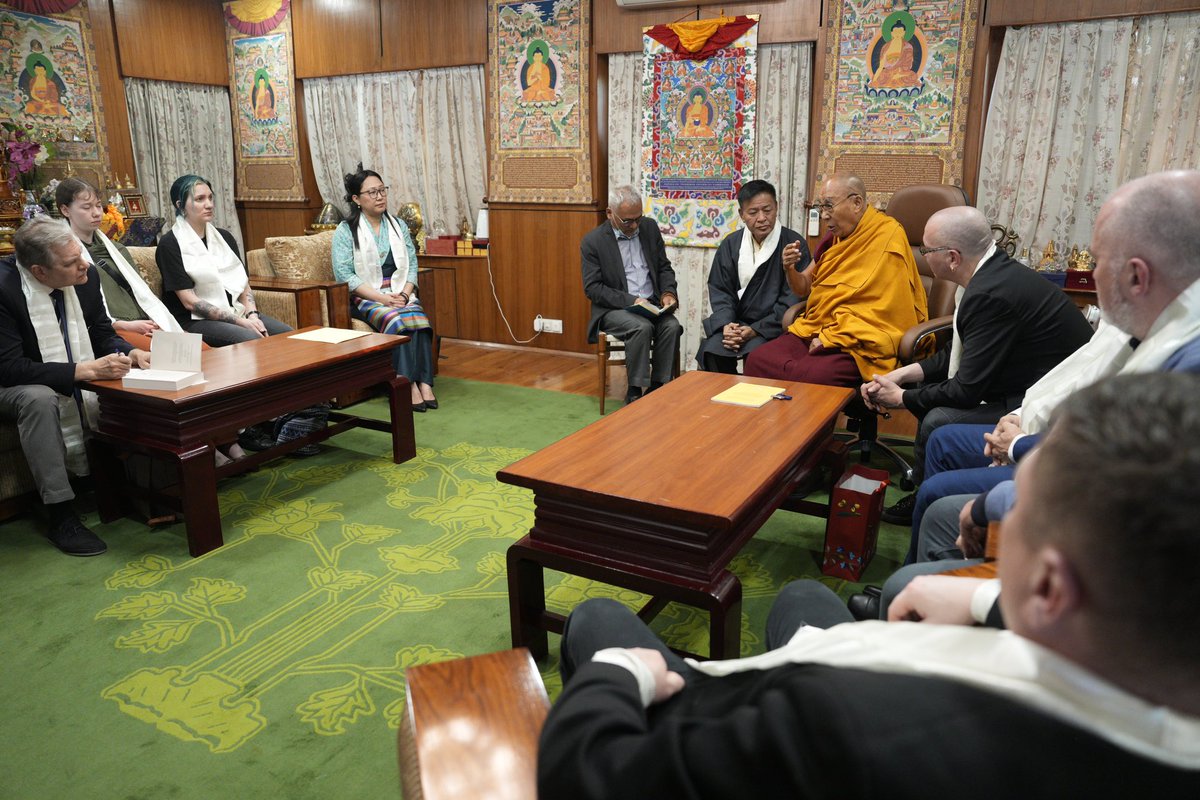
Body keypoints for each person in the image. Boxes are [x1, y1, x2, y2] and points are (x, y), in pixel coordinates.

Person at [538, 372, 1200, 799]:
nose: (1003, 513)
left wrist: (622, 675)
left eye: (1017, 505)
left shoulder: (848, 727)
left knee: (597, 616)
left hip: (752, 708)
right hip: (874, 672)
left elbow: (584, 774)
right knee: (801, 598)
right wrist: (982, 598)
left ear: (1052, 588)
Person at [896, 169, 1200, 557]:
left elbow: (1109, 466)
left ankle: (942, 579)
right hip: (1033, 417)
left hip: (1088, 511)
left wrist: (1020, 442)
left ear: (1138, 276)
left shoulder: (1183, 359)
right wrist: (1022, 415)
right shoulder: (1140, 317)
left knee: (940, 486)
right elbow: (1074, 376)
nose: (1090, 273)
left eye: (1098, 260)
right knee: (943, 439)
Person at [860, 205, 1093, 523]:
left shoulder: (990, 295)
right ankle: (929, 487)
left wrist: (900, 399)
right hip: (1021, 383)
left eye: (926, 249)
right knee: (927, 393)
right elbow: (960, 353)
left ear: (952, 257)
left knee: (938, 419)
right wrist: (902, 374)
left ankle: (927, 501)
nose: (922, 256)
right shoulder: (990, 272)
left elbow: (966, 390)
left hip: (1047, 407)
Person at [0, 218, 151, 556]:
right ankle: (61, 514)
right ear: (40, 272)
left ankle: (127, 478)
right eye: (71, 263)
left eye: (80, 254)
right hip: (9, 384)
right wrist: (82, 370)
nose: (84, 264)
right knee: (39, 398)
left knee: (125, 374)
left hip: (56, 368)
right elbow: (9, 369)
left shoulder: (86, 276)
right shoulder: (4, 289)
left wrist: (130, 352)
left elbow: (101, 332)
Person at [745, 174, 927, 388]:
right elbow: (803, 286)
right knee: (757, 360)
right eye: (821, 207)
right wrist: (789, 269)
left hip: (860, 340)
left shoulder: (888, 235)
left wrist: (832, 337)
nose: (823, 215)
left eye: (829, 206)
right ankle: (766, 422)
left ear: (857, 203)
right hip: (818, 326)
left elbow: (886, 310)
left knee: (812, 375)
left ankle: (805, 422)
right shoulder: (833, 240)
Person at [332, 165, 437, 411]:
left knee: (419, 321)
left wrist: (405, 293)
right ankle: (405, 384)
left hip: (400, 290)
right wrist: (383, 298)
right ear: (357, 199)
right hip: (366, 295)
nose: (379, 196)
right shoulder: (346, 231)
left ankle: (424, 382)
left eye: (382, 190)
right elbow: (345, 274)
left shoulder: (398, 225)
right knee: (396, 322)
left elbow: (411, 265)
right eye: (372, 192)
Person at [156, 174, 291, 347]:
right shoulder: (170, 244)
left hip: (236, 311)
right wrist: (241, 322)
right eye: (200, 199)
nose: (209, 204)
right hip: (193, 320)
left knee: (287, 334)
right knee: (252, 340)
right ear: (180, 206)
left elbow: (243, 285)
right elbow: (189, 301)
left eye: (211, 198)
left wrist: (252, 315)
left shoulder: (224, 237)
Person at [55, 177, 183, 352]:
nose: (96, 213)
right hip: (112, 330)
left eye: (98, 205)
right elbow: (81, 313)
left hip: (144, 322)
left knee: (201, 351)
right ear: (65, 210)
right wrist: (125, 325)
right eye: (86, 207)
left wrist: (156, 322)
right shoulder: (65, 256)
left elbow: (140, 294)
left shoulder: (117, 250)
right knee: (172, 355)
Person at [582, 185, 681, 405]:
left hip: (651, 304)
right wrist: (631, 300)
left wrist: (667, 292)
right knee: (641, 327)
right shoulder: (593, 242)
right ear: (610, 214)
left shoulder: (649, 228)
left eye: (638, 218)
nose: (634, 225)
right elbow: (593, 288)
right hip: (615, 310)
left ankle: (657, 386)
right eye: (627, 221)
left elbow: (664, 267)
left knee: (671, 326)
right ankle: (635, 390)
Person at [696, 180, 808, 373]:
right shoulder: (731, 244)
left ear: (776, 208)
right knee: (712, 349)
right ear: (741, 214)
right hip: (736, 322)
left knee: (758, 355)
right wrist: (727, 325)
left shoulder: (793, 244)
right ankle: (723, 400)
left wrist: (756, 329)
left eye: (767, 210)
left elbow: (794, 296)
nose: (762, 218)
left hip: (771, 327)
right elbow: (720, 289)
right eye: (753, 213)